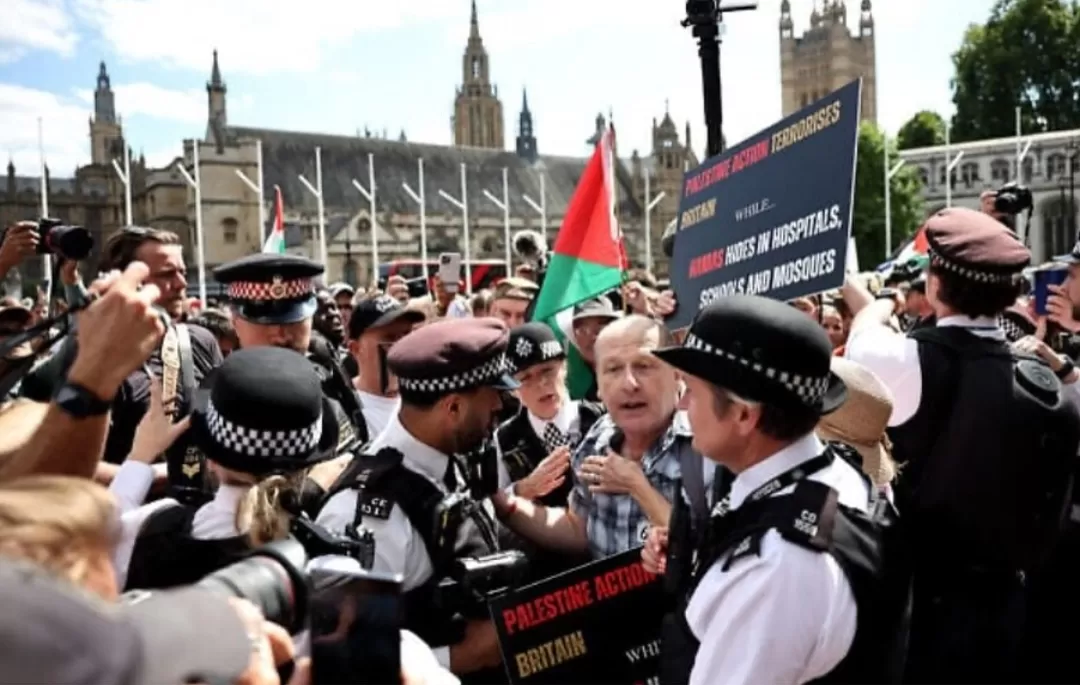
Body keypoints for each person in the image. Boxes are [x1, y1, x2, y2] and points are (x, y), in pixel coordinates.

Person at [844, 207, 1080, 683]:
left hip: (926, 612)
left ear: (935, 285)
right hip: (1016, 612)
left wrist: (888, 299)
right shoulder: (1053, 387)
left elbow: (863, 331)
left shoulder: (910, 363)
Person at [644, 295, 906, 685]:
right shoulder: (832, 470)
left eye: (692, 392)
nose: (682, 405)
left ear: (744, 414)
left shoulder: (775, 567)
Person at [317, 317, 518, 679]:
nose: (501, 408)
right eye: (494, 396)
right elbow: (349, 660)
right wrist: (464, 656)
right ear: (452, 408)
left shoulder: (452, 454)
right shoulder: (370, 514)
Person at [119, 346, 343, 590]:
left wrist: (139, 457)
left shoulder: (148, 528)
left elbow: (90, 543)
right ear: (311, 463)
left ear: (211, 459)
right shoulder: (333, 567)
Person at [491, 315, 711, 560]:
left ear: (677, 374)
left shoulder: (708, 447)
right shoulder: (597, 440)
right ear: (598, 384)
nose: (629, 383)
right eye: (613, 369)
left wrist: (639, 488)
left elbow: (711, 556)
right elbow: (578, 529)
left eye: (644, 365)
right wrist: (505, 504)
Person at [213, 254, 365, 470]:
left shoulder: (329, 376)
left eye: (293, 319)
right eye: (264, 322)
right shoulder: (217, 398)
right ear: (236, 322)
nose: (281, 335)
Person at [494, 322, 604, 507]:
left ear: (564, 368)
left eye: (547, 371)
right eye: (525, 378)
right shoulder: (505, 439)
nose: (541, 383)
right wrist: (524, 489)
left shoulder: (600, 418)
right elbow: (494, 505)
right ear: (512, 390)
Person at [346, 294, 425, 441]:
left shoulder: (424, 397)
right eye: (389, 337)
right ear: (355, 349)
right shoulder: (345, 409)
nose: (401, 346)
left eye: (406, 334)